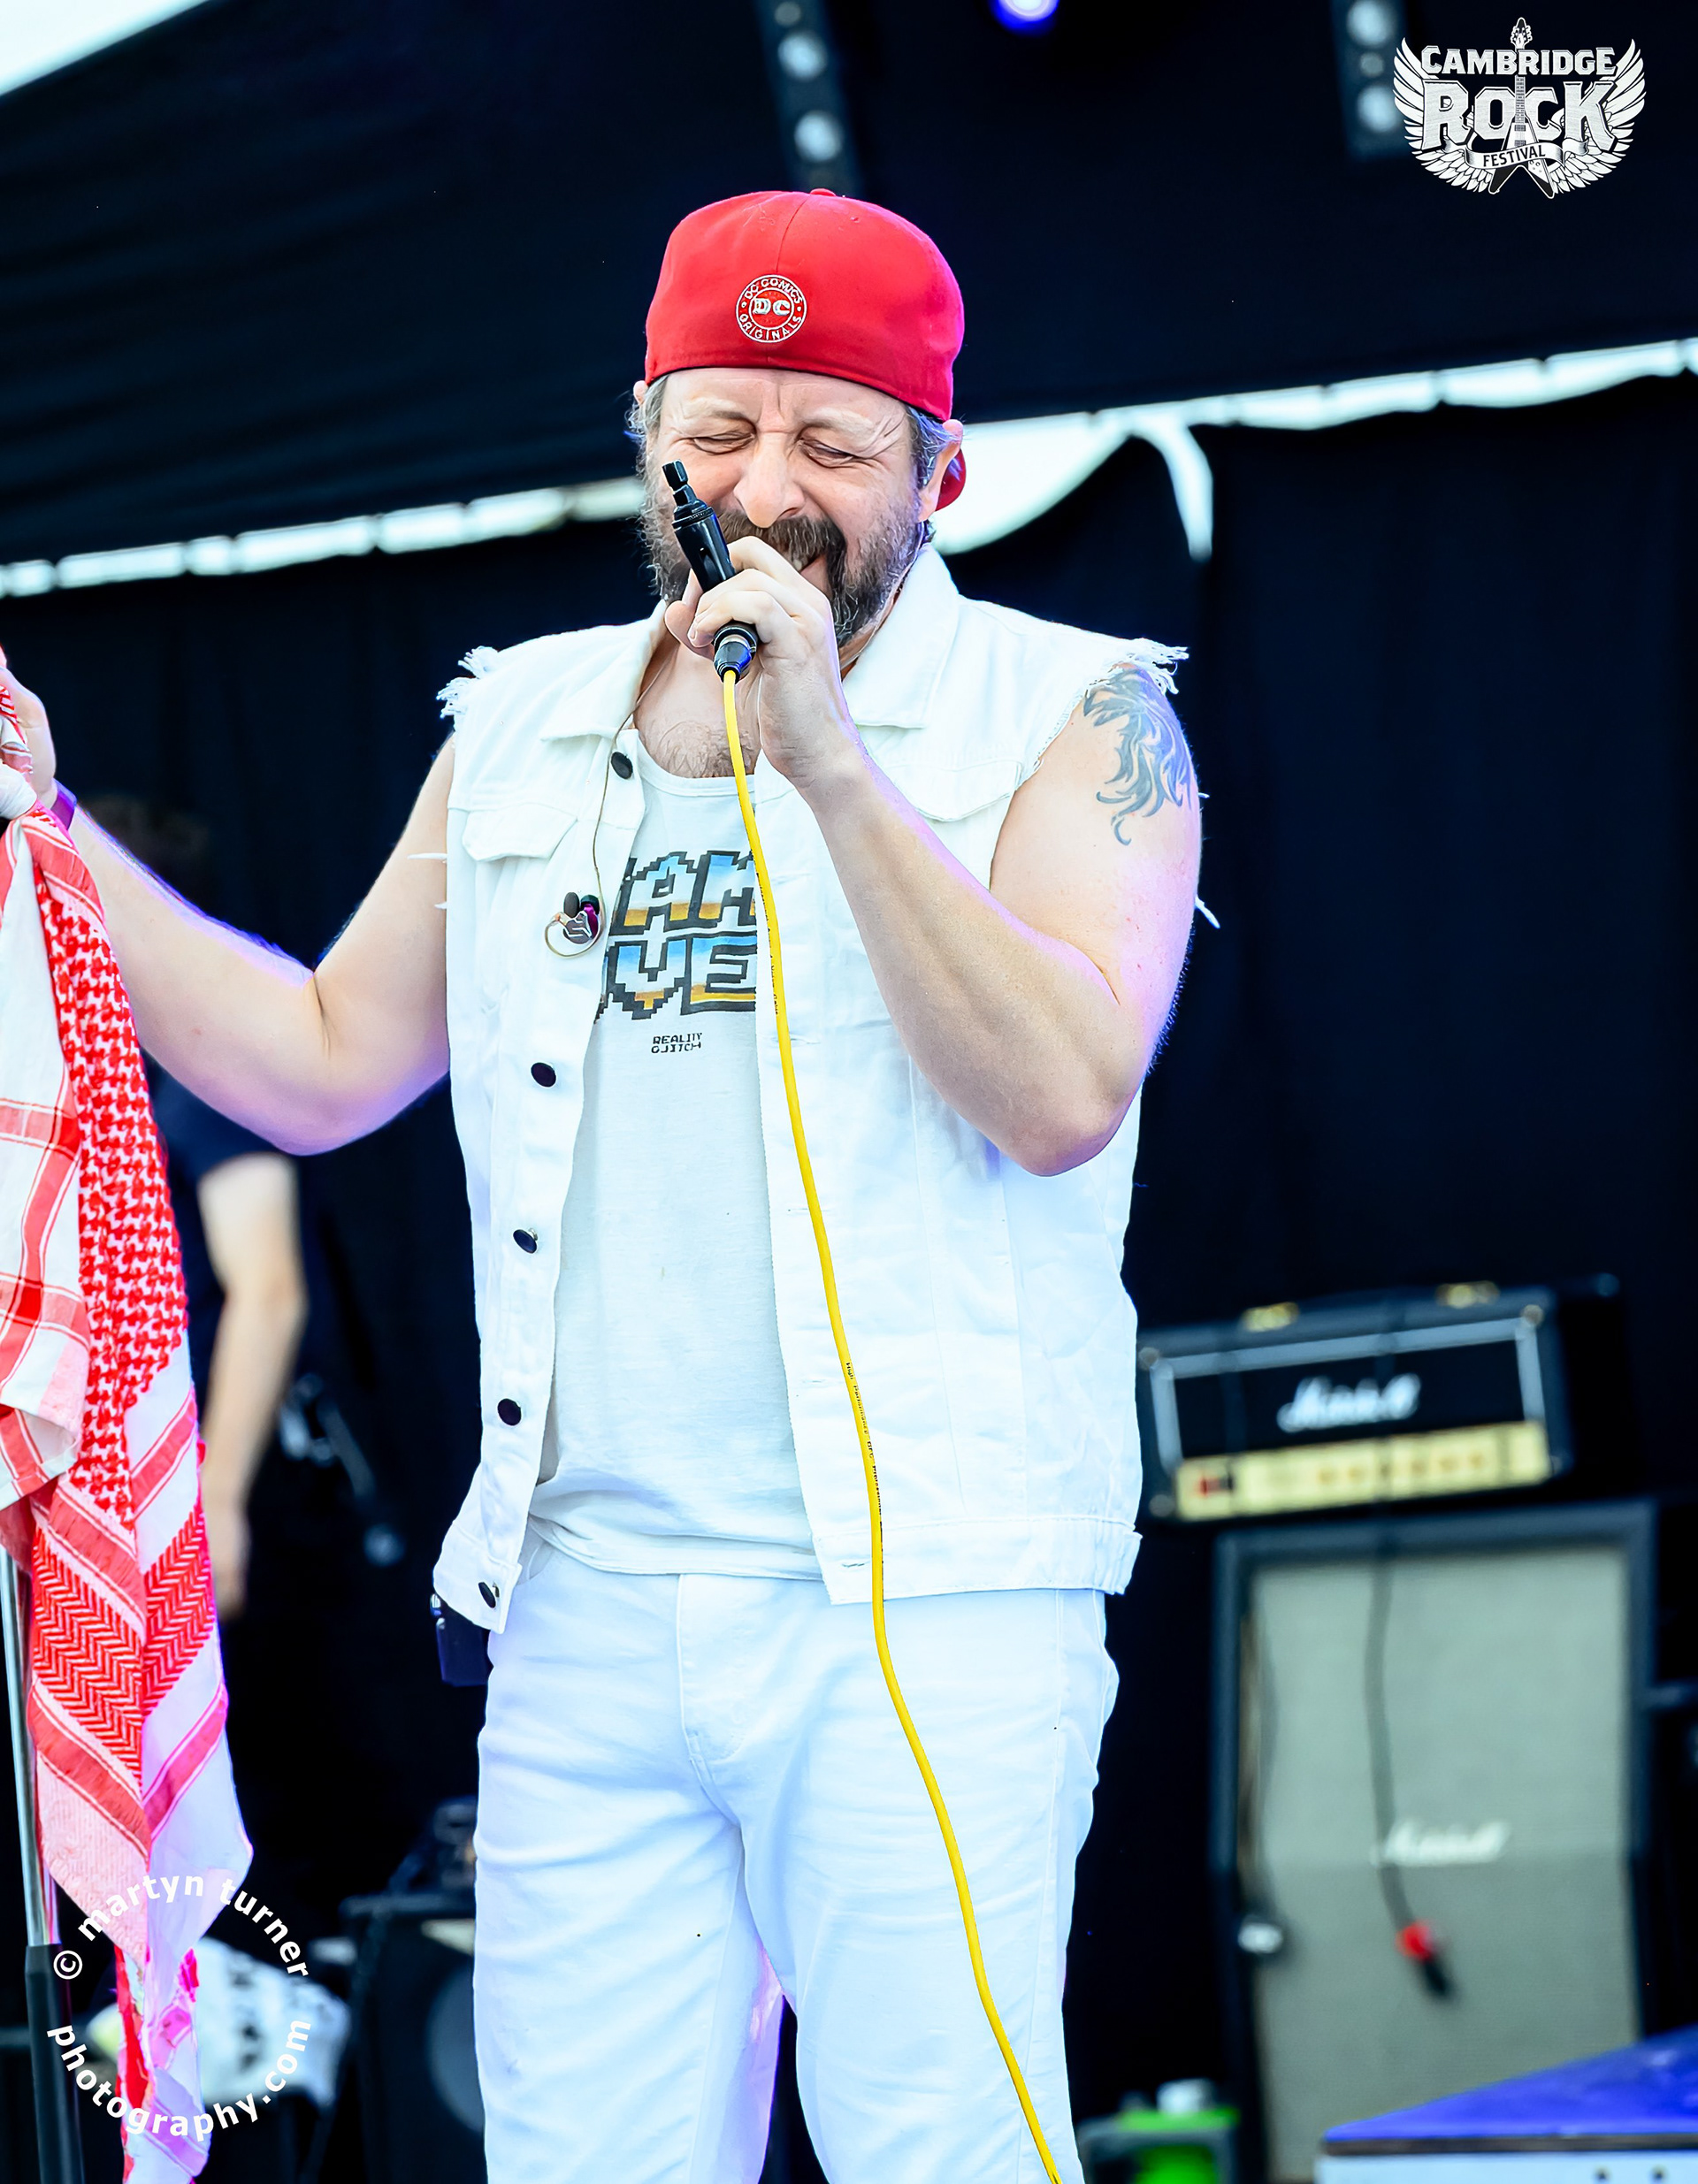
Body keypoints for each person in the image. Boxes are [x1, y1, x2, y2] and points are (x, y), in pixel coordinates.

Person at [4, 191, 1201, 2183]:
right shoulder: (528, 722)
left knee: (943, 2153)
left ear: (941, 473)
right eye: (716, 430)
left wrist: (826, 757)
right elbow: (316, 1062)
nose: (765, 488)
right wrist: (44, 821)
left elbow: (1065, 1091)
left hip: (921, 1604)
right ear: (645, 439)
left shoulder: (1075, 713)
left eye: (831, 441)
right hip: (584, 1605)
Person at [82, 798, 309, 1621]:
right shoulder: (114, 1075)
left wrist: (215, 1498)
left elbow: (269, 1291)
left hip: (210, 1478)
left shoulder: (201, 1084)